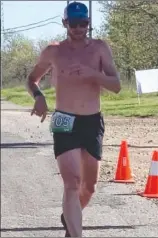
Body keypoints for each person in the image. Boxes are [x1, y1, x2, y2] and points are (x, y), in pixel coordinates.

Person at [27, 1, 121, 237]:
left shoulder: (99, 48)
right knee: (72, 182)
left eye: (83, 24)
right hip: (64, 120)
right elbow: (31, 80)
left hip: (91, 122)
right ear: (64, 23)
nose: (78, 29)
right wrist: (38, 97)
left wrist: (93, 74)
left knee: (88, 187)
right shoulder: (54, 51)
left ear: (88, 24)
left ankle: (70, 218)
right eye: (73, 24)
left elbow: (117, 85)